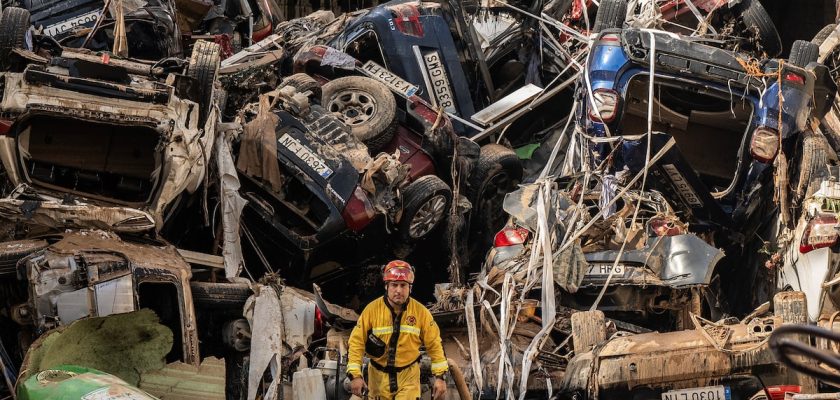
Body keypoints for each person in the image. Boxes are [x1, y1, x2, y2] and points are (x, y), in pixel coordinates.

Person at [346, 260, 449, 399]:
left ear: (410, 288)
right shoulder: (371, 311)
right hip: (377, 379)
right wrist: (355, 375)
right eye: (394, 285)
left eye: (403, 285)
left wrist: (440, 377)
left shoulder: (421, 313)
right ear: (386, 286)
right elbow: (356, 343)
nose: (398, 290)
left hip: (408, 378)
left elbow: (435, 345)